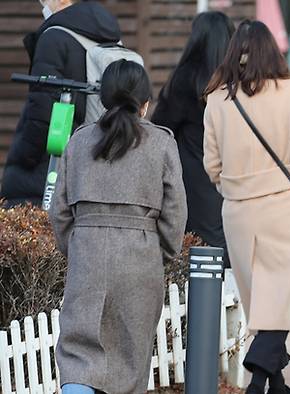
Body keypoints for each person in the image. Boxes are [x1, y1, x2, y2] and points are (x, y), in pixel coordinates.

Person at [50, 60, 187, 394]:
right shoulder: (161, 143)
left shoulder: (79, 142)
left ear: (104, 97)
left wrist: (80, 244)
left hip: (88, 256)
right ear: (145, 103)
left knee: (79, 348)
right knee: (131, 357)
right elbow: (175, 213)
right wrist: (162, 252)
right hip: (140, 259)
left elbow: (60, 211)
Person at [203, 20, 290, 394]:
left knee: (264, 301)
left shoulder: (218, 98)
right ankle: (258, 378)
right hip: (285, 209)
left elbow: (212, 165)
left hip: (238, 213)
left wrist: (237, 189)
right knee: (279, 300)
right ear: (274, 50)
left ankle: (278, 383)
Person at [1, 0, 121, 207]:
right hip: (95, 157)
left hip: (50, 164)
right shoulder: (110, 37)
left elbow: (41, 111)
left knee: (35, 232)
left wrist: (23, 158)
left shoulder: (54, 37)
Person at [151, 11, 234, 255]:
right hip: (236, 181)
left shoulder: (186, 79)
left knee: (195, 255)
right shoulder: (241, 82)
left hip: (194, 182)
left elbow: (161, 128)